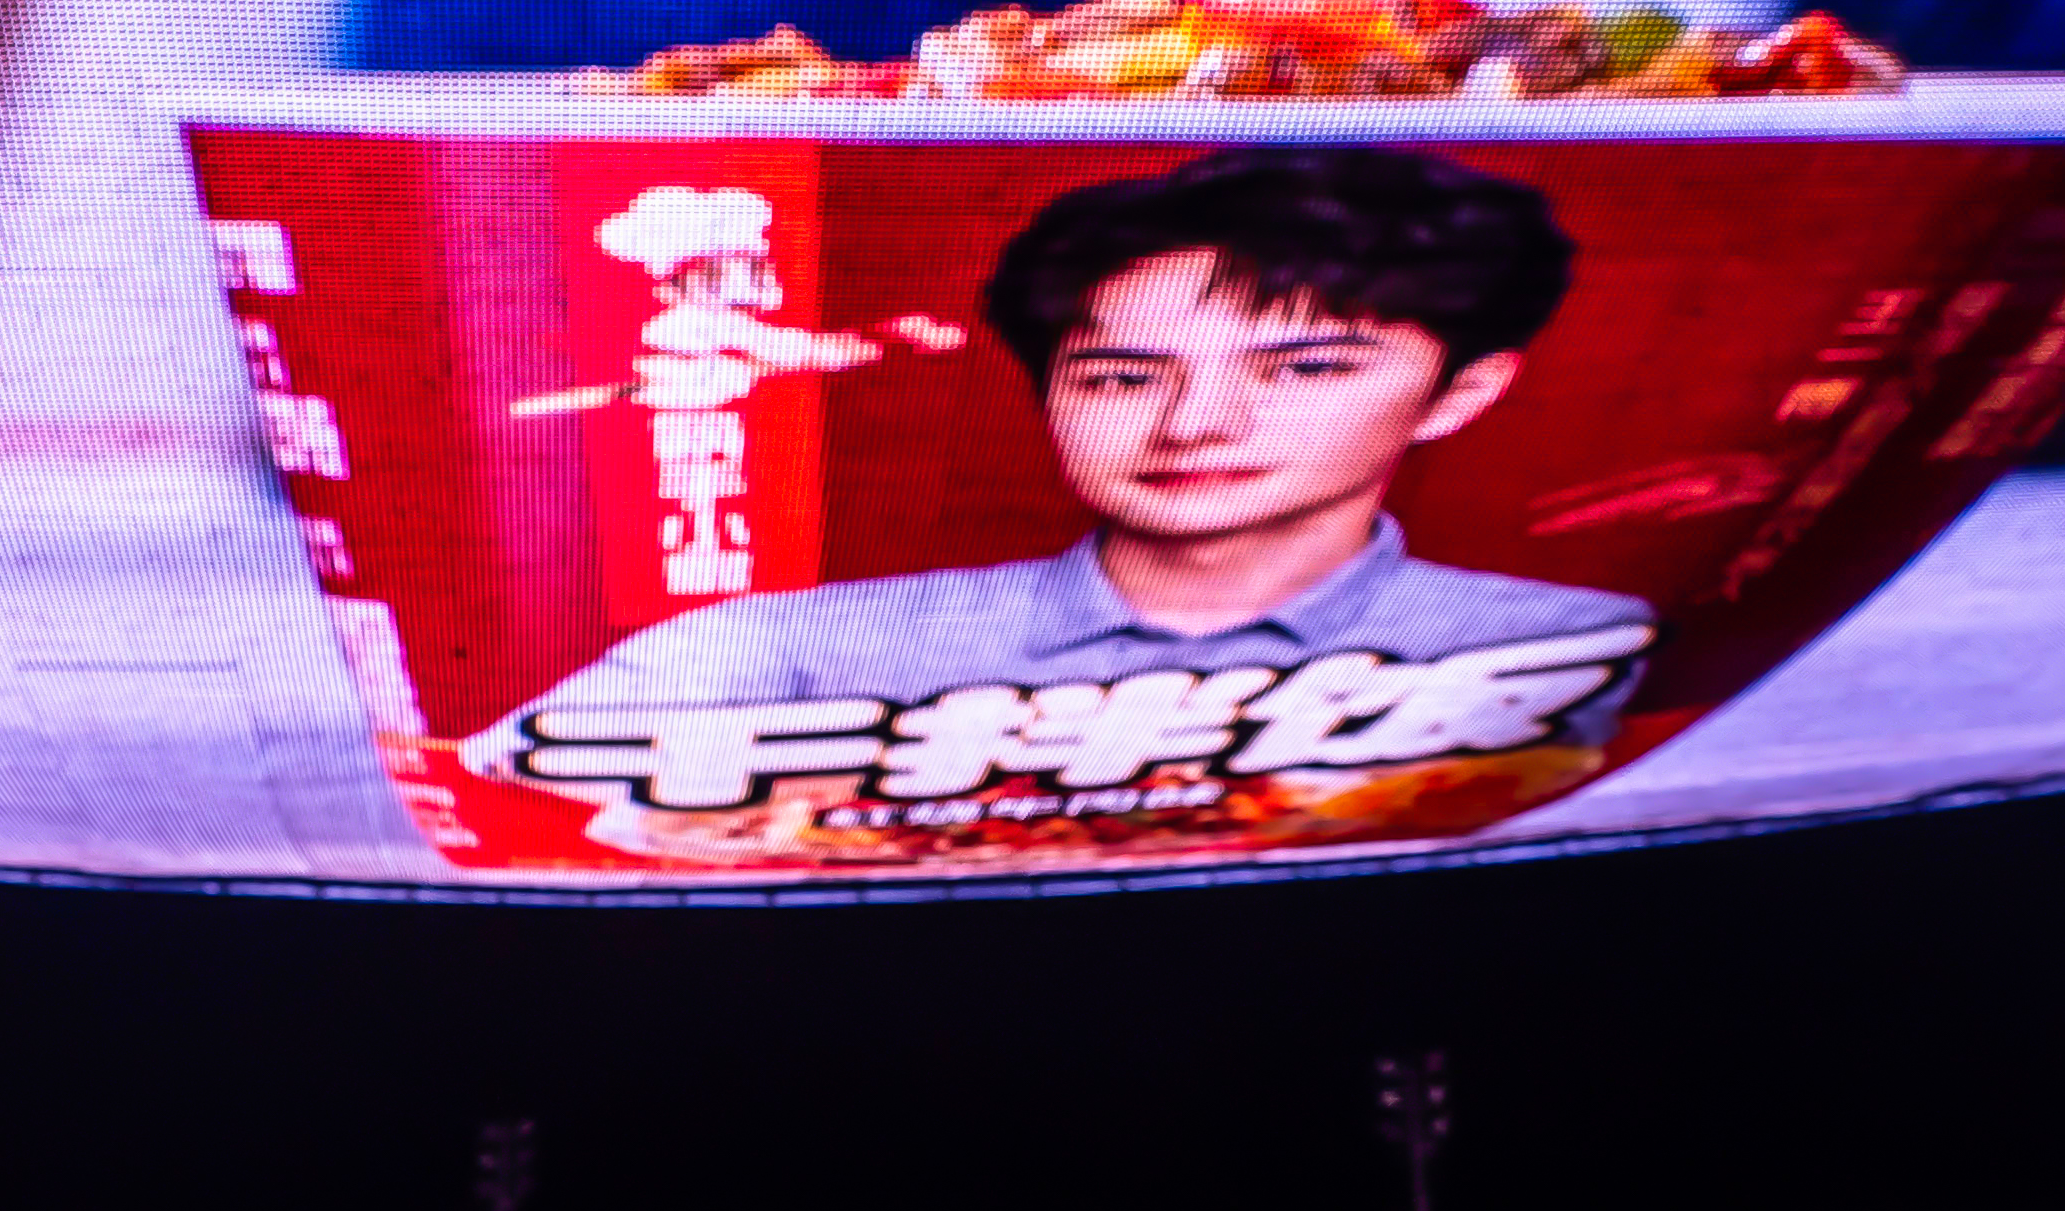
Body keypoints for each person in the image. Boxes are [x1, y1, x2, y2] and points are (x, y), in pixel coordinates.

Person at [481, 149, 1644, 805]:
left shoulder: (1581, 650)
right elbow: (511, 825)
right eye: (1125, 376)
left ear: (1464, 392)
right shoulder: (775, 654)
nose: (1197, 423)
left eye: (1306, 368)